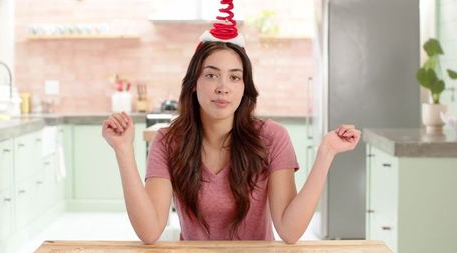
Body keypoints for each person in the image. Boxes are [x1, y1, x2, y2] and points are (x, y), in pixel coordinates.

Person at [102, 0, 360, 244]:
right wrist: (123, 151)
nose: (223, 87)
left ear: (244, 87)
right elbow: (149, 231)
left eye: (234, 77)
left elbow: (290, 231)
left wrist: (326, 152)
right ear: (193, 84)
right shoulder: (168, 142)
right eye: (212, 75)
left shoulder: (272, 137)